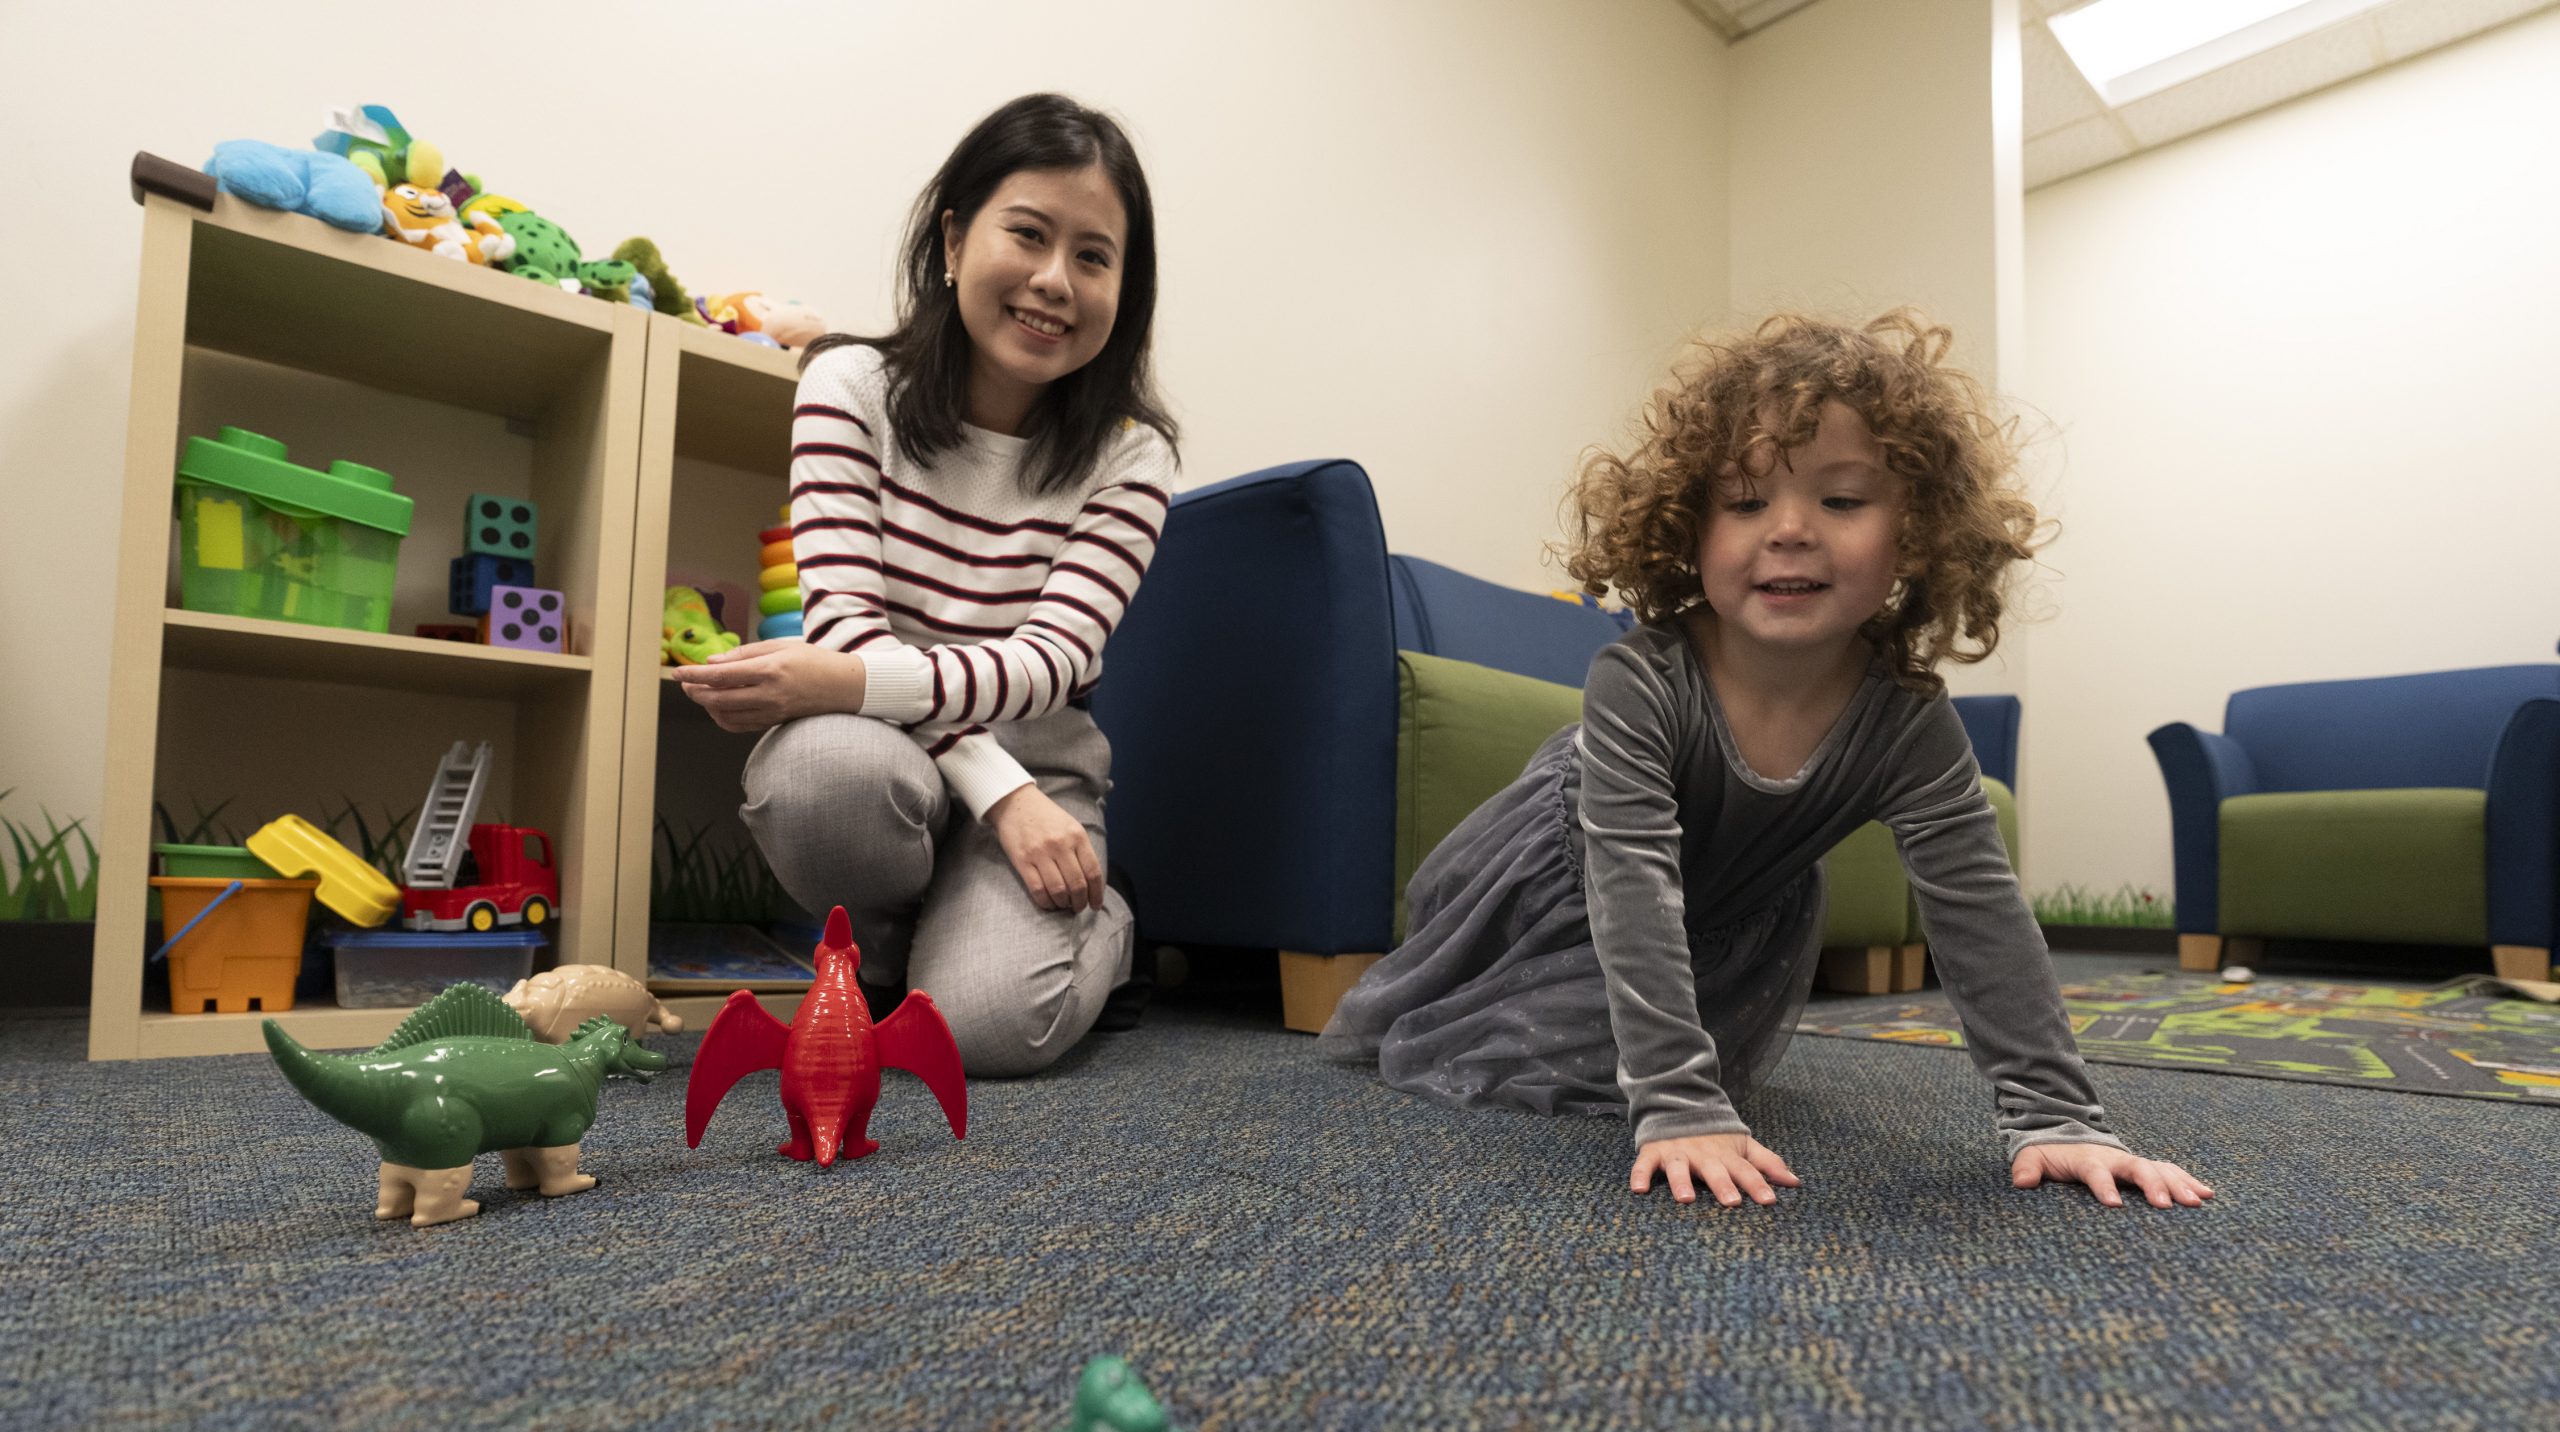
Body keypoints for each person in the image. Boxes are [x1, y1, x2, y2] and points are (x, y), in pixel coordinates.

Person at [1325, 311, 2213, 1212]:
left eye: (1841, 499)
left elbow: (1980, 910)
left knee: (1609, 1064)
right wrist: (1678, 1102)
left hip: (1739, 909)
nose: (1788, 530)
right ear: (1688, 528)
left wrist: (2059, 1114)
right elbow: (1629, 882)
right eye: (1745, 502)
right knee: (1470, 1038)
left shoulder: (1907, 721)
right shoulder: (1641, 678)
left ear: (1916, 533)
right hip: (1566, 871)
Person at [672, 93, 1177, 1075]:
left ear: (1125, 287)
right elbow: (849, 627)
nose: (1052, 280)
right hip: (885, 747)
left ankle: (1104, 922)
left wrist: (859, 689)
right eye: (1026, 234)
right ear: (952, 238)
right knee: (820, 776)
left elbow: (1054, 662)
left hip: (1038, 755)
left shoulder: (1133, 455)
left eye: (1092, 256)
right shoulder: (847, 385)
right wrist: (995, 791)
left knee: (982, 1036)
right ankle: (905, 941)